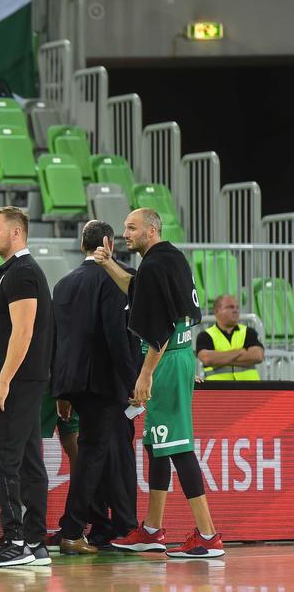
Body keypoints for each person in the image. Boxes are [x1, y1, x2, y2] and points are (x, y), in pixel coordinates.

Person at [95, 208, 224, 558]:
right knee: (157, 445)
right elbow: (136, 289)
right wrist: (107, 263)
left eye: (131, 228)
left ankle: (208, 535)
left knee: (178, 447)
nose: (125, 233)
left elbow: (162, 329)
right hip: (176, 357)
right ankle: (152, 530)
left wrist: (146, 373)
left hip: (164, 359)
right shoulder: (169, 258)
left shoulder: (154, 265)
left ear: (151, 230)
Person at [50, 220, 140, 555]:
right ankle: (73, 530)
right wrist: (133, 380)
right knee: (96, 454)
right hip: (105, 383)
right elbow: (117, 336)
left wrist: (61, 392)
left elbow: (58, 340)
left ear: (81, 244)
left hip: (74, 383)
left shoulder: (63, 283)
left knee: (100, 454)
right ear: (108, 243)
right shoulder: (115, 277)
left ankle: (104, 525)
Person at [0, 206, 53, 568]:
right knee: (29, 462)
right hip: (25, 380)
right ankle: (36, 543)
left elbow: (23, 332)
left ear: (16, 233)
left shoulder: (22, 273)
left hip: (17, 381)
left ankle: (16, 540)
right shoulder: (14, 271)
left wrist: (3, 381)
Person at [196, 294, 264, 380]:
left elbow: (258, 356)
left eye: (237, 307)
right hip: (218, 387)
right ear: (216, 311)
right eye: (230, 307)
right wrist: (240, 351)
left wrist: (220, 359)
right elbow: (207, 359)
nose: (235, 310)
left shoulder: (249, 332)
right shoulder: (205, 335)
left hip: (249, 387)